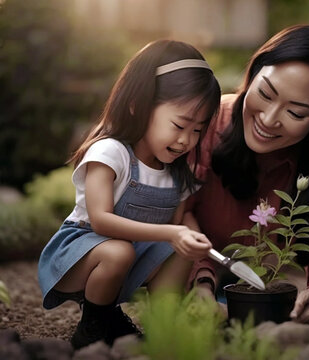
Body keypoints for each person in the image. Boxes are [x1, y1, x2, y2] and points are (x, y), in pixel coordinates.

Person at [184, 24, 309, 324]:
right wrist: (201, 284)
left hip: (264, 289)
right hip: (193, 272)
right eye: (264, 93)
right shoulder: (206, 123)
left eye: (296, 113)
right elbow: (175, 215)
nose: (269, 119)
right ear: (253, 75)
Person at [38, 39, 220, 348]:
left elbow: (178, 223)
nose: (187, 140)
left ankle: (165, 321)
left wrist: (192, 238)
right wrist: (172, 232)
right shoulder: (111, 153)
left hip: (132, 261)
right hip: (81, 257)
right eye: (179, 125)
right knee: (119, 250)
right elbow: (101, 221)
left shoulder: (178, 173)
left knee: (177, 251)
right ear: (138, 105)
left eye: (198, 130)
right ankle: (94, 325)